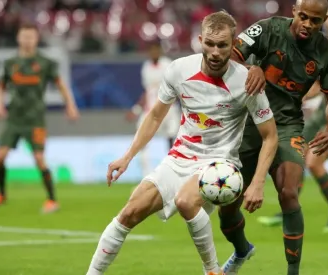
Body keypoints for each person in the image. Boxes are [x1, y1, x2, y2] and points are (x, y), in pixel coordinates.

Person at [86, 11, 278, 275]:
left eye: (222, 45)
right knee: (129, 213)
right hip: (179, 158)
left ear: (233, 45)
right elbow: (155, 115)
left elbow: (270, 135)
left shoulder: (247, 82)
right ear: (200, 40)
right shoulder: (178, 70)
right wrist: (127, 156)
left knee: (186, 202)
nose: (214, 51)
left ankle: (212, 271)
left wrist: (257, 183)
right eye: (209, 43)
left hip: (220, 164)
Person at [220, 0, 328, 274]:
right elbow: (230, 56)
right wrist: (251, 68)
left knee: (289, 193)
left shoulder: (326, 53)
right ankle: (241, 249)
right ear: (294, 13)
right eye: (304, 17)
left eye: (315, 21)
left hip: (287, 126)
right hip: (248, 123)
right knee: (228, 206)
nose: (308, 25)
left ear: (322, 22)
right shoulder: (266, 29)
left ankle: (293, 272)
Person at [257, 0, 328, 233]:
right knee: (296, 158)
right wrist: (296, 96)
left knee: (314, 162)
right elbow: (319, 84)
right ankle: (287, 210)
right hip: (319, 115)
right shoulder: (320, 46)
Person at [0, 23, 79, 214]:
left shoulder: (45, 63)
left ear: (36, 39)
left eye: (31, 37)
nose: (27, 41)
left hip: (35, 118)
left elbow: (61, 85)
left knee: (39, 159)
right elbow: (0, 86)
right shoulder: (10, 63)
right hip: (14, 119)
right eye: (24, 37)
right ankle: (1, 194)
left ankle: (52, 200)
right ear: (19, 38)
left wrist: (70, 105)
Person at [126, 42, 179, 176]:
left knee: (173, 139)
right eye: (151, 51)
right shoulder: (146, 67)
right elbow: (147, 91)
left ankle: (173, 173)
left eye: (156, 50)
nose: (153, 53)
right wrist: (136, 109)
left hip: (169, 109)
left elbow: (178, 86)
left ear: (160, 51)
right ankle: (146, 176)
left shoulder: (168, 64)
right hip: (150, 109)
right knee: (140, 138)